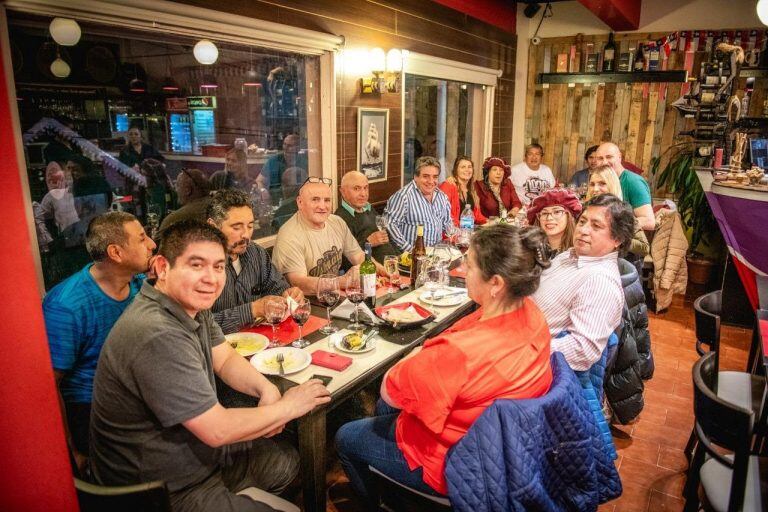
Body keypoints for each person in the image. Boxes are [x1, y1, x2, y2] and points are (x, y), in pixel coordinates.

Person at [89, 220, 331, 511]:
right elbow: (216, 429)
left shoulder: (191, 306)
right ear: (163, 268)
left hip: (197, 457)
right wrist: (288, 407)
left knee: (284, 462)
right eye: (196, 265)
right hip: (160, 491)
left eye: (218, 267)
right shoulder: (155, 332)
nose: (211, 278)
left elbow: (225, 358)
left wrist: (266, 388)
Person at [335, 224, 553, 504]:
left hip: (456, 461)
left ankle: (378, 501)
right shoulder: (534, 314)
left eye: (469, 265)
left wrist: (414, 355)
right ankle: (390, 484)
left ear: (496, 283)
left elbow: (390, 385)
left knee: (345, 436)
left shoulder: (459, 353)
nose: (462, 268)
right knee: (386, 408)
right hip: (500, 446)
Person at [43, 211, 155, 470]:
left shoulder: (140, 283)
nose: (152, 244)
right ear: (116, 253)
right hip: (93, 407)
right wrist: (71, 451)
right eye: (141, 239)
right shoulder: (66, 306)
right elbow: (50, 386)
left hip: (138, 391)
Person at [533, 194, 634, 372]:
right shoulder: (569, 255)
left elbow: (582, 350)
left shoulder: (600, 282)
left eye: (596, 226)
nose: (583, 230)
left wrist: (521, 352)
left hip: (532, 365)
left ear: (617, 239)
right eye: (582, 222)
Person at [207, 189, 303, 334]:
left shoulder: (256, 253)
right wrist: (253, 309)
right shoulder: (201, 267)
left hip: (261, 340)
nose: (246, 234)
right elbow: (199, 326)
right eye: (236, 227)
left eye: (250, 226)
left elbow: (278, 288)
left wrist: (289, 294)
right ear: (213, 226)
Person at [272, 178, 365, 295]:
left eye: (327, 200)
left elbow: (358, 256)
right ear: (300, 202)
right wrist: (341, 282)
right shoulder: (289, 235)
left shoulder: (337, 222)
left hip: (332, 296)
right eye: (315, 200)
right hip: (305, 303)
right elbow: (298, 283)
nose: (322, 206)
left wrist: (382, 271)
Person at [384, 156, 452, 251]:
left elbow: (447, 224)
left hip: (436, 254)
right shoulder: (403, 197)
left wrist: (456, 235)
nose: (431, 181)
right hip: (411, 258)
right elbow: (390, 226)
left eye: (435, 177)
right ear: (416, 177)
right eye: (426, 176)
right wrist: (412, 251)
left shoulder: (442, 197)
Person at [585, 165, 650, 259]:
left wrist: (614, 238)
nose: (595, 189)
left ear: (612, 185)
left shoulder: (622, 212)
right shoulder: (586, 210)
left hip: (618, 266)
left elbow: (644, 247)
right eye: (592, 184)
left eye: (602, 183)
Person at [335, 170, 397, 264]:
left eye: (365, 188)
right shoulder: (339, 219)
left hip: (393, 265)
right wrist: (368, 243)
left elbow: (386, 238)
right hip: (371, 273)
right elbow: (342, 262)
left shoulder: (369, 208)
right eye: (357, 189)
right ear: (343, 192)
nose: (363, 194)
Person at [594, 142, 655, 230]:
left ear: (619, 157)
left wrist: (613, 227)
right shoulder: (599, 179)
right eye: (600, 158)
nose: (604, 162)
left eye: (609, 157)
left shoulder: (633, 181)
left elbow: (649, 221)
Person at [527, 188, 582, 256]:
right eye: (544, 213)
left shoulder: (578, 252)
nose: (549, 218)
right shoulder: (529, 249)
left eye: (557, 212)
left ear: (569, 216)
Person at [158, 168, 212, 235]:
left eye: (177, 185)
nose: (176, 190)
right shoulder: (217, 206)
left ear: (187, 190)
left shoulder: (175, 218)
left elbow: (156, 244)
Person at [438, 156, 486, 226]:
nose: (467, 170)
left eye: (469, 167)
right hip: (451, 233)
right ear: (456, 170)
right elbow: (444, 215)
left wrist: (491, 222)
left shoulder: (471, 191)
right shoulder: (447, 186)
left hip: (467, 232)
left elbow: (477, 216)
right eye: (463, 167)